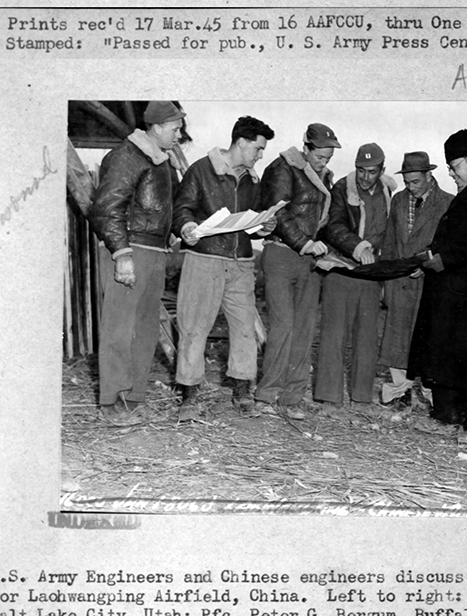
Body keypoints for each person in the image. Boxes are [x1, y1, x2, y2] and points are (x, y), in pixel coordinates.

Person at [171, 116, 276, 420]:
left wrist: (264, 225)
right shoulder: (201, 170)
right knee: (194, 328)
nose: (259, 155)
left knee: (244, 329)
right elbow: (182, 208)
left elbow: (254, 220)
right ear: (241, 142)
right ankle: (189, 396)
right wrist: (187, 225)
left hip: (241, 263)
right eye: (258, 148)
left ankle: (242, 392)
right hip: (204, 259)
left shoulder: (253, 180)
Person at [90, 100, 185, 426]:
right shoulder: (126, 157)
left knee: (144, 331)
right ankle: (111, 403)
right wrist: (122, 255)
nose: (179, 134)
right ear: (156, 127)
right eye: (175, 128)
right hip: (131, 252)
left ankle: (133, 398)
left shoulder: (161, 163)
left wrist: (177, 232)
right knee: (119, 329)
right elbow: (106, 208)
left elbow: (157, 211)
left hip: (155, 254)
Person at [407, 129, 467, 434]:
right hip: (452, 291)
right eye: (449, 168)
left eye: (455, 166)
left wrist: (444, 259)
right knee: (448, 356)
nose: (451, 174)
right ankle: (448, 414)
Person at [255, 123, 340, 420]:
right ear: (306, 148)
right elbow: (279, 212)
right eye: (320, 157)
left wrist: (349, 248)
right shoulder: (283, 168)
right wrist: (304, 243)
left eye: (328, 159)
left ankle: (292, 397)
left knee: (304, 328)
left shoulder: (324, 179)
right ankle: (267, 394)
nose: (324, 163)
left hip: (309, 261)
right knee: (283, 325)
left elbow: (328, 223)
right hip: (281, 254)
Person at [314, 143, 396, 414]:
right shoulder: (341, 188)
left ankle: (362, 398)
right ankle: (329, 397)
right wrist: (359, 247)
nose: (364, 177)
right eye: (360, 170)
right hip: (341, 269)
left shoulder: (387, 191)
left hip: (370, 275)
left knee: (367, 337)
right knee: (334, 335)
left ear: (381, 170)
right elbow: (332, 226)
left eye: (371, 171)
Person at [379, 151, 453, 408]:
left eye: (416, 182)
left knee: (428, 338)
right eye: (407, 182)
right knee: (397, 337)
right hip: (399, 281)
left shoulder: (447, 202)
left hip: (428, 283)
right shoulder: (399, 201)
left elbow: (448, 247)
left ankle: (432, 394)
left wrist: (428, 267)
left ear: (429, 176)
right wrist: (385, 278)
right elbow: (389, 241)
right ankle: (399, 390)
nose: (410, 187)